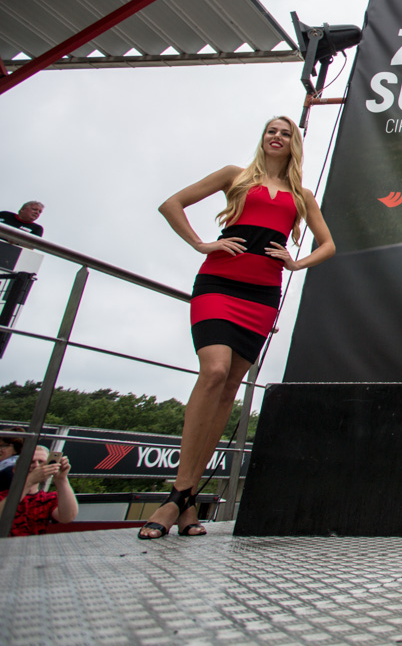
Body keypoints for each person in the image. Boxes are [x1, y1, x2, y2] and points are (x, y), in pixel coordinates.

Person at [146, 116, 336, 539]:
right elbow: (170, 204)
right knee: (213, 371)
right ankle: (176, 494)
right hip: (218, 284)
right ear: (263, 138)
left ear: (294, 145)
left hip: (262, 297)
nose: (277, 137)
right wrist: (202, 243)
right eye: (271, 130)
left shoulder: (301, 195)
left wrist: (296, 261)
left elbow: (329, 244)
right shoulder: (234, 177)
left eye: (285, 133)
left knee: (229, 387)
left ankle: (187, 501)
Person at [1, 445, 77, 536]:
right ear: (15, 469)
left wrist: (62, 479)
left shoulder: (47, 498)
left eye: (41, 462)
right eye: (31, 462)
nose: (36, 466)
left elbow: (67, 517)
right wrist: (29, 482)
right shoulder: (2, 496)